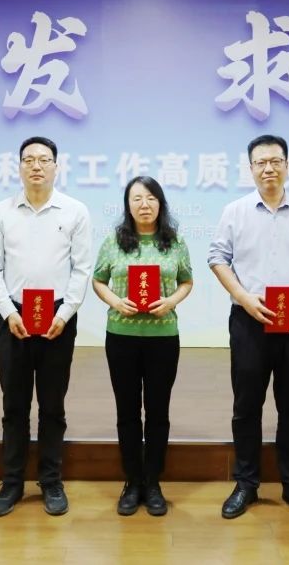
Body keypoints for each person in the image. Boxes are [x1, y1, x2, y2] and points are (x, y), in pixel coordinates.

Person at [209, 134, 289, 521]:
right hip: (249, 321)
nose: (268, 168)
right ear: (251, 168)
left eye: (275, 161)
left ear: (287, 165)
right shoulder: (235, 211)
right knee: (246, 406)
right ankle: (246, 483)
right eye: (260, 162)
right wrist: (243, 296)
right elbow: (217, 258)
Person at [0, 136, 92, 517]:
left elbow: (81, 269)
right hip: (12, 316)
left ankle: (51, 480)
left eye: (44, 160)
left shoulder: (75, 211)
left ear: (56, 167)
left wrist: (66, 314)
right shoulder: (1, 212)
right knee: (13, 406)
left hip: (58, 319)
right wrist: (6, 311)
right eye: (28, 160)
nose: (36, 166)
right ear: (19, 167)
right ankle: (12, 482)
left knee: (52, 405)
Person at [92, 175, 194, 517]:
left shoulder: (174, 241)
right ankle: (132, 481)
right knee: (127, 411)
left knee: (158, 411)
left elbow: (187, 281)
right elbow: (98, 280)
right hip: (121, 336)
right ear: (127, 205)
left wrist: (172, 301)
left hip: (163, 337)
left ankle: (153, 482)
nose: (144, 204)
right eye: (137, 198)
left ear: (160, 203)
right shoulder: (113, 241)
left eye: (151, 198)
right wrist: (115, 301)